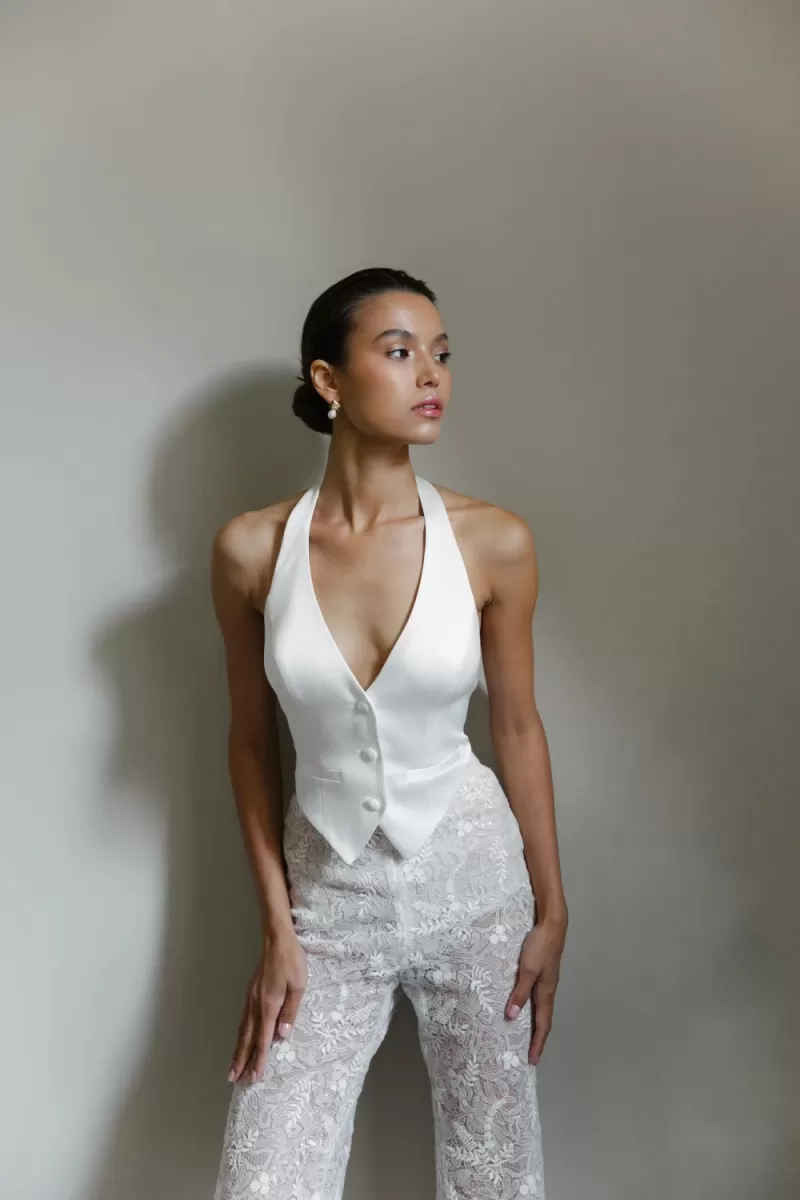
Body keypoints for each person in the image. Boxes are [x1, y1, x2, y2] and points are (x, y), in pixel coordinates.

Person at [209, 266, 567, 1199]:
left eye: (440, 354)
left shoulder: (495, 541)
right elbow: (250, 742)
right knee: (265, 1180)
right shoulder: (251, 550)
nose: (431, 375)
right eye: (400, 352)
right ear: (328, 379)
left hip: (477, 886)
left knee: (495, 1178)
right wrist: (277, 926)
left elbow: (517, 725)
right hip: (326, 897)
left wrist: (551, 909)